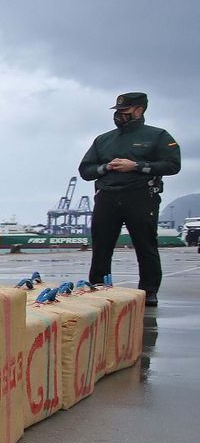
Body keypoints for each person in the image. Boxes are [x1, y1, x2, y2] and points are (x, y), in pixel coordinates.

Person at [79, 92, 181, 306]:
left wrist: (136, 166)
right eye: (117, 111)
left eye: (124, 111)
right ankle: (99, 287)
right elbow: (85, 170)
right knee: (101, 246)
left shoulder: (158, 136)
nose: (119, 115)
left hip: (141, 196)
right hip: (107, 196)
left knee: (145, 245)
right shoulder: (103, 140)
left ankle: (149, 291)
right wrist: (106, 167)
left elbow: (173, 165)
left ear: (139, 110)